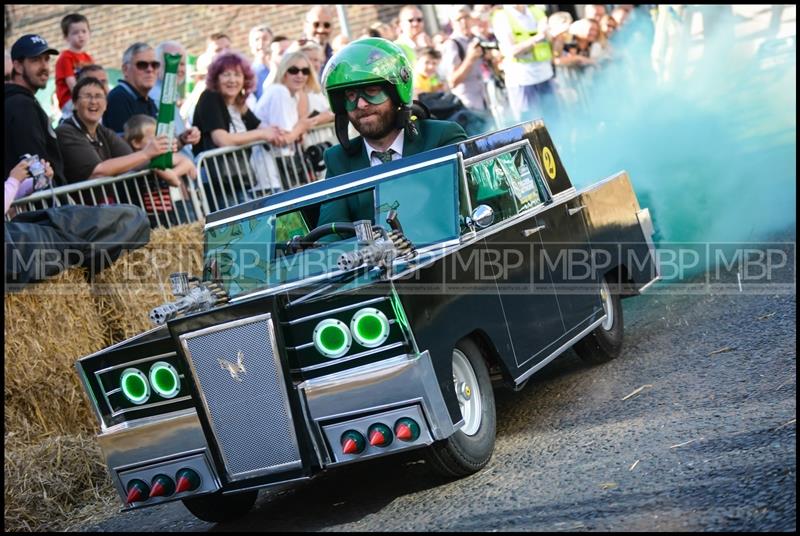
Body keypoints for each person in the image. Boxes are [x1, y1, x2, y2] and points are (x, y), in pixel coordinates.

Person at [317, 37, 467, 226]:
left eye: (371, 91)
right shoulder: (338, 159)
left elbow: (464, 209)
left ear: (396, 95)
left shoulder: (442, 137)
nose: (361, 104)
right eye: (351, 95)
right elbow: (331, 231)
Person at [191, 52, 286, 209]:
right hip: (217, 182)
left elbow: (260, 126)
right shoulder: (210, 97)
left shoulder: (239, 103)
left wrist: (279, 134)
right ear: (216, 78)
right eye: (226, 75)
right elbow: (222, 139)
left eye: (237, 75)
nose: (232, 80)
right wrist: (263, 134)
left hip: (237, 179)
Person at [56, 76, 172, 187]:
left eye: (98, 96)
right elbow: (97, 172)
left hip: (107, 204)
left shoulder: (104, 132)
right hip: (82, 207)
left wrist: (163, 151)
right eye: (87, 96)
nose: (93, 101)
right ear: (75, 104)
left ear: (106, 105)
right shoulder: (65, 132)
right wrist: (146, 153)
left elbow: (133, 160)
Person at [5, 34, 65, 186]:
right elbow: (33, 161)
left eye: (46, 59)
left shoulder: (21, 101)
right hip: (39, 203)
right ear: (18, 66)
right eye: (35, 60)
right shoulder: (21, 105)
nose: (44, 66)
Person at [254, 51, 316, 187]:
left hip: (281, 168)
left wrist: (299, 130)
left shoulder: (292, 94)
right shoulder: (279, 92)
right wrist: (301, 127)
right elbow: (282, 139)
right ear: (284, 72)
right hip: (270, 172)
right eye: (294, 70)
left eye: (305, 71)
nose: (300, 75)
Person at [123, 114, 198, 227]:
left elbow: (186, 163)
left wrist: (174, 172)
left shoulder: (157, 159)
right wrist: (173, 174)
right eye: (154, 138)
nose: (160, 141)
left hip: (168, 214)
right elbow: (175, 181)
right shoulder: (142, 161)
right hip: (149, 218)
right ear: (136, 143)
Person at [492, 5, 557, 124]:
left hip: (545, 75)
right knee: (530, 127)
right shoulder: (502, 17)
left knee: (555, 123)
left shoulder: (537, 10)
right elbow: (510, 51)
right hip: (522, 80)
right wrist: (538, 38)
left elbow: (550, 38)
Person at [149, 40, 201, 158]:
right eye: (173, 62)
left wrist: (187, 135)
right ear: (157, 65)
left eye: (182, 64)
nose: (179, 68)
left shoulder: (170, 93)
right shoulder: (156, 96)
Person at [441, 5, 491, 112]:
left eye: (466, 17)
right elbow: (452, 81)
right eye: (459, 19)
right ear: (452, 23)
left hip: (486, 100)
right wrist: (470, 59)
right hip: (467, 106)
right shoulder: (452, 44)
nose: (464, 22)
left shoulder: (478, 39)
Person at [103, 42, 159, 134]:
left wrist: (181, 140)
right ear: (125, 69)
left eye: (154, 65)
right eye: (142, 65)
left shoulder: (149, 101)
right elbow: (125, 145)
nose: (150, 69)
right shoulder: (118, 98)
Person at [54, 13, 94, 120]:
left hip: (87, 96)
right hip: (70, 100)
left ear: (89, 33)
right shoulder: (65, 58)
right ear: (66, 37)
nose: (80, 35)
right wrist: (88, 97)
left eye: (84, 31)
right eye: (75, 33)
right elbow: (72, 84)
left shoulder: (88, 58)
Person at [248, 25, 273, 103]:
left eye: (265, 39)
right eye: (257, 40)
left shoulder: (281, 66)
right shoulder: (249, 73)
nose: (261, 43)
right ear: (251, 45)